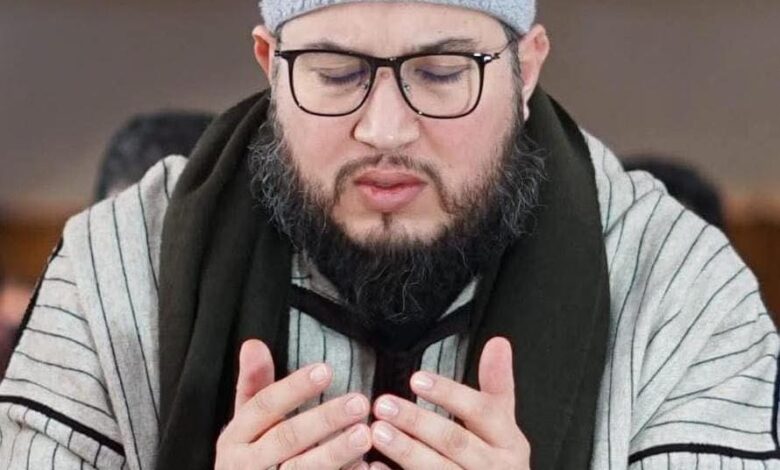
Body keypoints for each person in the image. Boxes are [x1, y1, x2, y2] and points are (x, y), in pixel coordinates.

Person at [1, 1, 777, 469]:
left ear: (527, 68)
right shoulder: (113, 268)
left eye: (441, 73)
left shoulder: (683, 293)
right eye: (335, 73)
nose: (384, 129)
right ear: (271, 66)